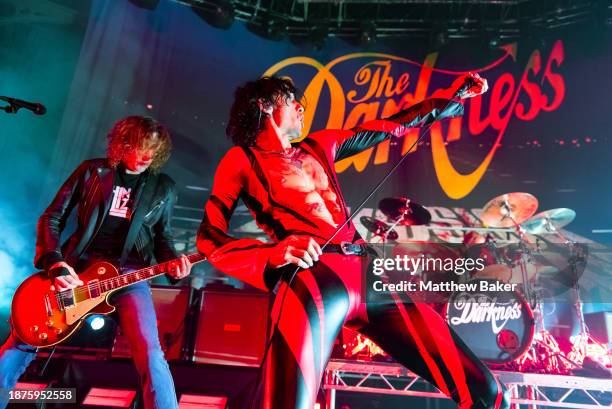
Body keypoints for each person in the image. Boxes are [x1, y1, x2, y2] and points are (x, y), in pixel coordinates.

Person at [197, 73, 510, 409]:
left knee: (486, 393)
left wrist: (453, 94)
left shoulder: (321, 145)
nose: (302, 108)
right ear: (263, 105)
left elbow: (392, 125)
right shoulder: (241, 160)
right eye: (291, 99)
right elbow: (209, 237)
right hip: (313, 281)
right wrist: (274, 253)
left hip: (370, 274)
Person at [0, 116, 192, 409]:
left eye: (153, 150)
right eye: (140, 146)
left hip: (128, 277)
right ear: (123, 144)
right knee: (25, 337)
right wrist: (57, 263)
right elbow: (52, 217)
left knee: (150, 352)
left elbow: (162, 237)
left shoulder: (163, 188)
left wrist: (174, 263)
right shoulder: (93, 171)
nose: (146, 156)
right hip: (78, 269)